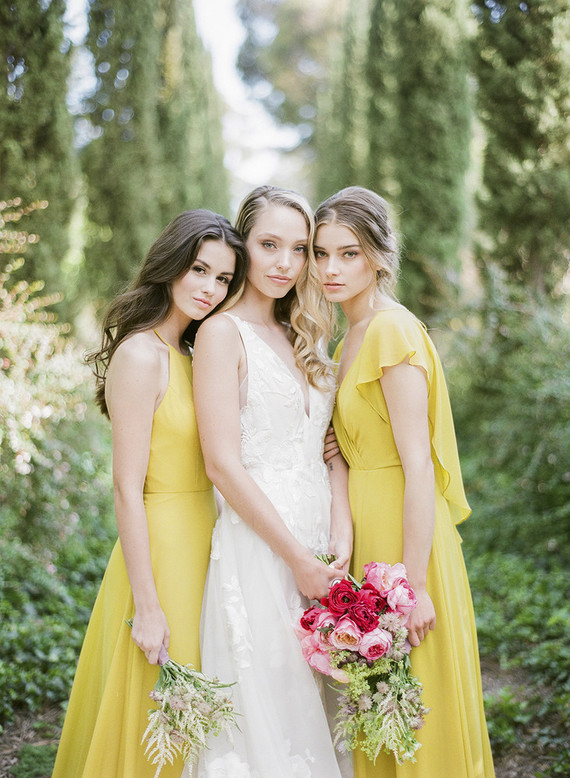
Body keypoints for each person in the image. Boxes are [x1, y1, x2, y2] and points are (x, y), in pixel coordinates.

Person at [52, 210, 248, 778]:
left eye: (223, 279)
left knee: (196, 701)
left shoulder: (193, 356)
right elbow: (125, 488)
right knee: (157, 700)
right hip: (161, 549)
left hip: (207, 540)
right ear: (169, 266)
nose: (210, 288)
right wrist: (148, 604)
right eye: (199, 270)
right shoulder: (142, 355)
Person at [313, 186, 495, 778]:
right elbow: (355, 441)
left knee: (416, 700)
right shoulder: (348, 339)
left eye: (350, 253)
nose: (331, 268)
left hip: (404, 534)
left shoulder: (391, 330)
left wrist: (412, 584)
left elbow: (418, 464)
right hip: (367, 530)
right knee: (379, 703)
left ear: (379, 258)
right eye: (321, 253)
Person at [192, 185, 354, 777]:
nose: (286, 263)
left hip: (325, 543)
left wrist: (341, 524)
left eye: (300, 248)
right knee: (273, 712)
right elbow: (221, 465)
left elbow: (329, 446)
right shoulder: (221, 334)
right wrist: (296, 559)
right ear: (244, 246)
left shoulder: (307, 334)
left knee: (325, 704)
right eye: (269, 245)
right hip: (262, 547)